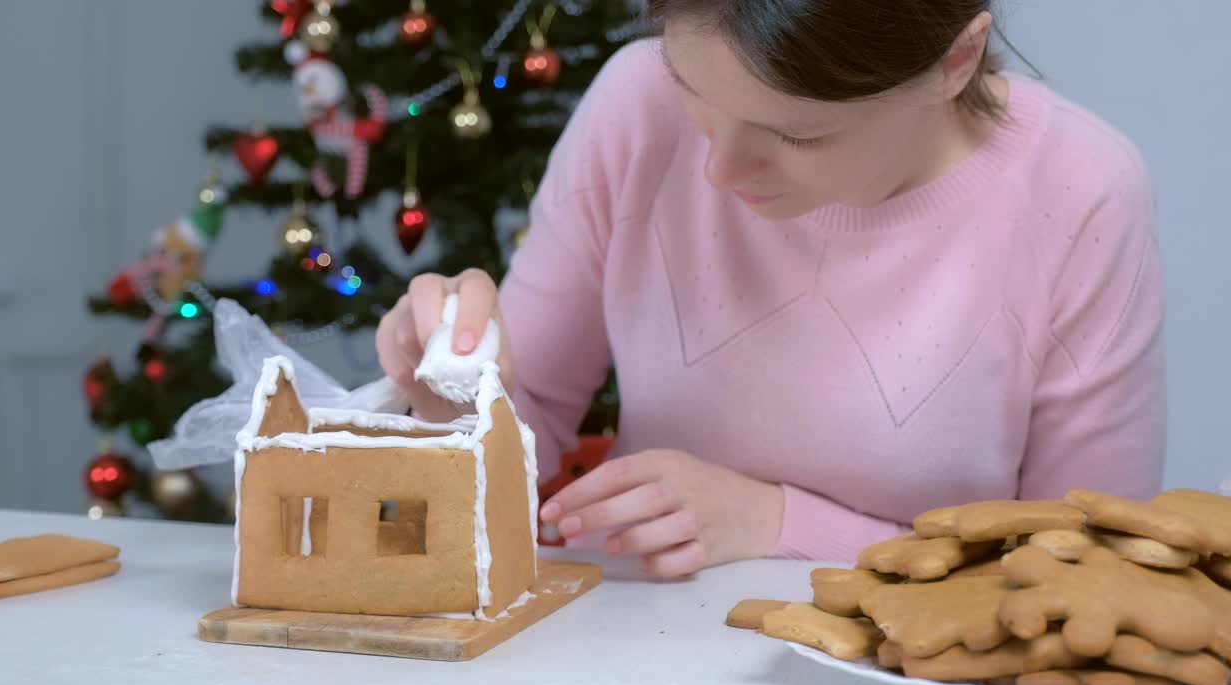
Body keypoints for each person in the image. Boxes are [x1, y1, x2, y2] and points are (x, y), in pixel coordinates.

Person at [375, 0, 1165, 578]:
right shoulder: (635, 102)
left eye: (798, 134)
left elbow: (1082, 569)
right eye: (692, 90)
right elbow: (521, 432)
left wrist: (779, 522)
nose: (718, 171)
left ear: (955, 63)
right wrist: (452, 388)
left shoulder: (1079, 188)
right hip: (624, 665)